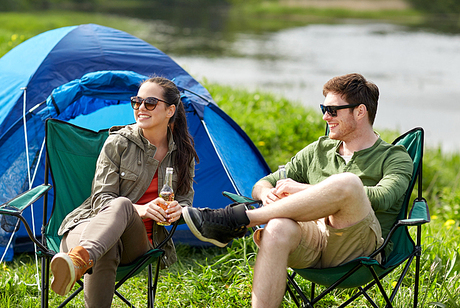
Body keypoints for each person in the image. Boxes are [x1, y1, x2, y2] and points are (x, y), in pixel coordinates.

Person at [182, 73, 413, 308]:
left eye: (333, 110)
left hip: (357, 250)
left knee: (349, 183)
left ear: (360, 111)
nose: (325, 116)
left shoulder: (394, 157)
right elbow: (262, 183)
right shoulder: (318, 151)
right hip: (312, 243)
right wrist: (265, 194)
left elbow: (384, 198)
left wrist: (303, 189)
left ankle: (239, 219)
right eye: (324, 108)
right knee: (278, 227)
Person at [50, 77, 198, 307]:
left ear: (170, 110)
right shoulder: (118, 143)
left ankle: (79, 261)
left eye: (150, 102)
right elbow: (101, 200)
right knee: (116, 219)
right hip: (87, 229)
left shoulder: (183, 153)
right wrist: (140, 209)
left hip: (137, 243)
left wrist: (180, 211)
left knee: (122, 206)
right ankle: (79, 258)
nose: (140, 108)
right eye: (136, 102)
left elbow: (185, 203)